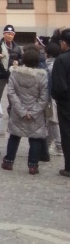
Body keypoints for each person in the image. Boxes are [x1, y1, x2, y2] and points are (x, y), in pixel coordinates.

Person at [1, 46, 49, 174]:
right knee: (35, 138)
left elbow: (11, 93)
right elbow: (44, 98)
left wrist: (21, 110)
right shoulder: (42, 76)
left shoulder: (15, 73)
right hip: (36, 112)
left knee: (14, 136)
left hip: (18, 111)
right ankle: (33, 165)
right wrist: (33, 112)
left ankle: (8, 161)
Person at [50, 28, 70, 178]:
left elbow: (59, 86)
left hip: (66, 103)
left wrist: (56, 97)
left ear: (64, 43)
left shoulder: (61, 60)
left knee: (67, 134)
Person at [0, 24, 23, 104]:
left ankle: (11, 110)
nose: (10, 36)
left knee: (12, 94)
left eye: (12, 34)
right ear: (4, 34)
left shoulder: (17, 47)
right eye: (8, 34)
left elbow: (22, 58)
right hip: (0, 74)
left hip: (12, 74)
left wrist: (18, 62)